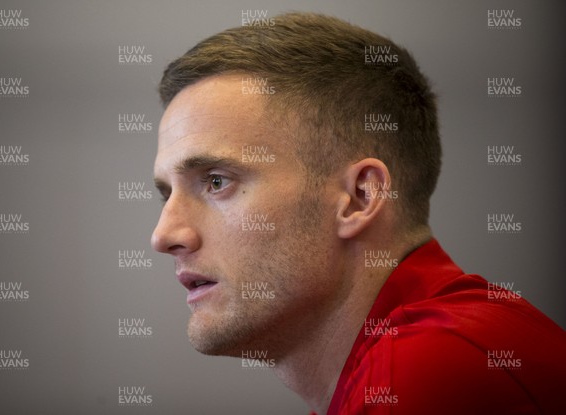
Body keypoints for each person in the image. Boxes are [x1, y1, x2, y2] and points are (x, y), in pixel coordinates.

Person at [150, 12, 565, 414]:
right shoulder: (381, 375)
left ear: (360, 198)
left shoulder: (432, 366)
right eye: (166, 193)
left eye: (216, 181)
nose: (164, 235)